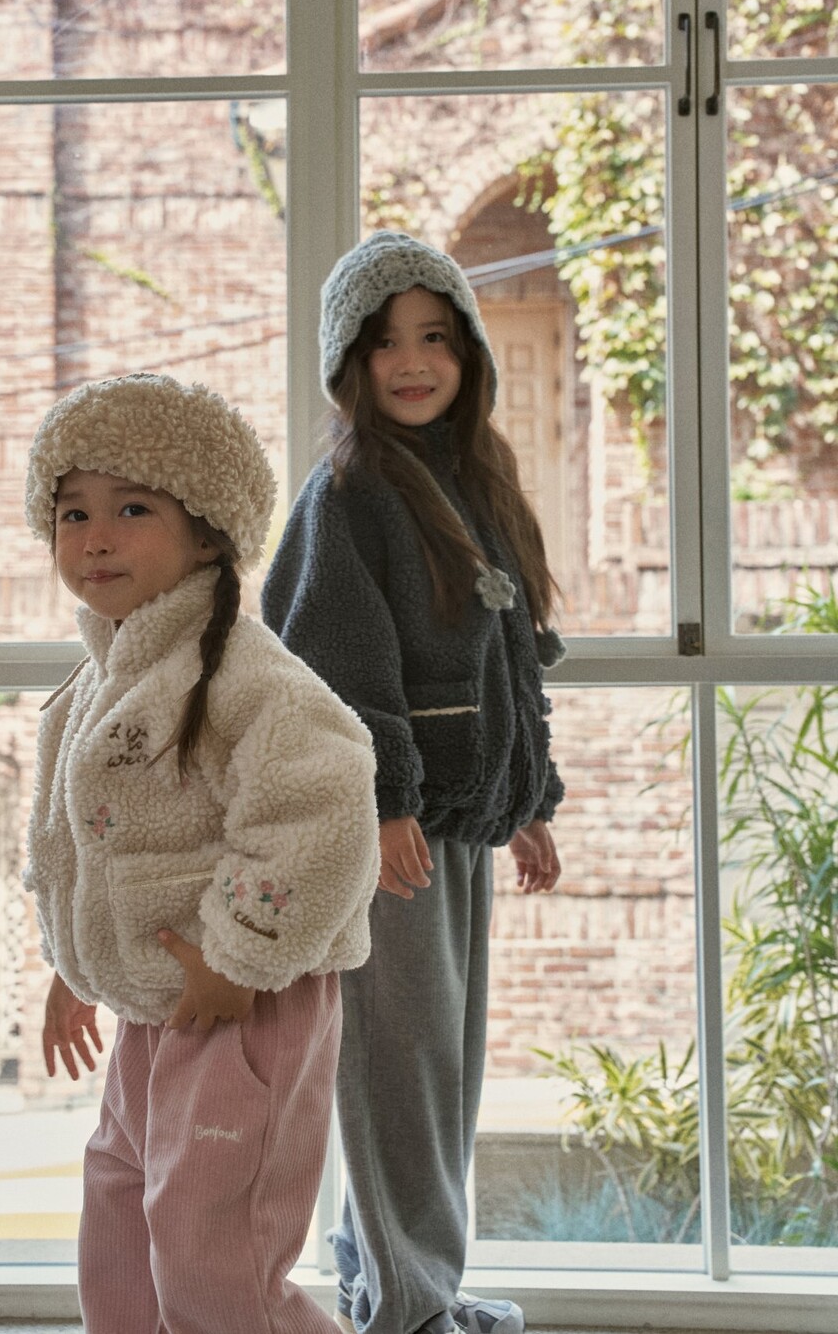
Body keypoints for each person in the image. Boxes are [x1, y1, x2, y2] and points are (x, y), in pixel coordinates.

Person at [22, 373, 380, 1334]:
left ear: (211, 531)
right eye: (73, 512)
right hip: (156, 1005)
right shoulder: (98, 680)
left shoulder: (246, 676)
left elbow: (324, 807)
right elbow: (71, 845)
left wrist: (238, 954)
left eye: (132, 509)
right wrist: (72, 967)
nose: (95, 537)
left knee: (212, 1253)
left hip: (244, 1003)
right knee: (120, 1219)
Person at [262, 231, 565, 1334]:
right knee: (402, 1074)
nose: (412, 362)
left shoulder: (474, 487)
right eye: (384, 342)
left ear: (468, 351)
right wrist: (386, 799)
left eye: (435, 337)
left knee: (440, 1070)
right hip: (389, 838)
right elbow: (334, 664)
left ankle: (396, 1290)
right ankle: (411, 1309)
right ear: (349, 360)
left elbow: (509, 658)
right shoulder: (346, 495)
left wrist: (526, 799)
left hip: (456, 828)